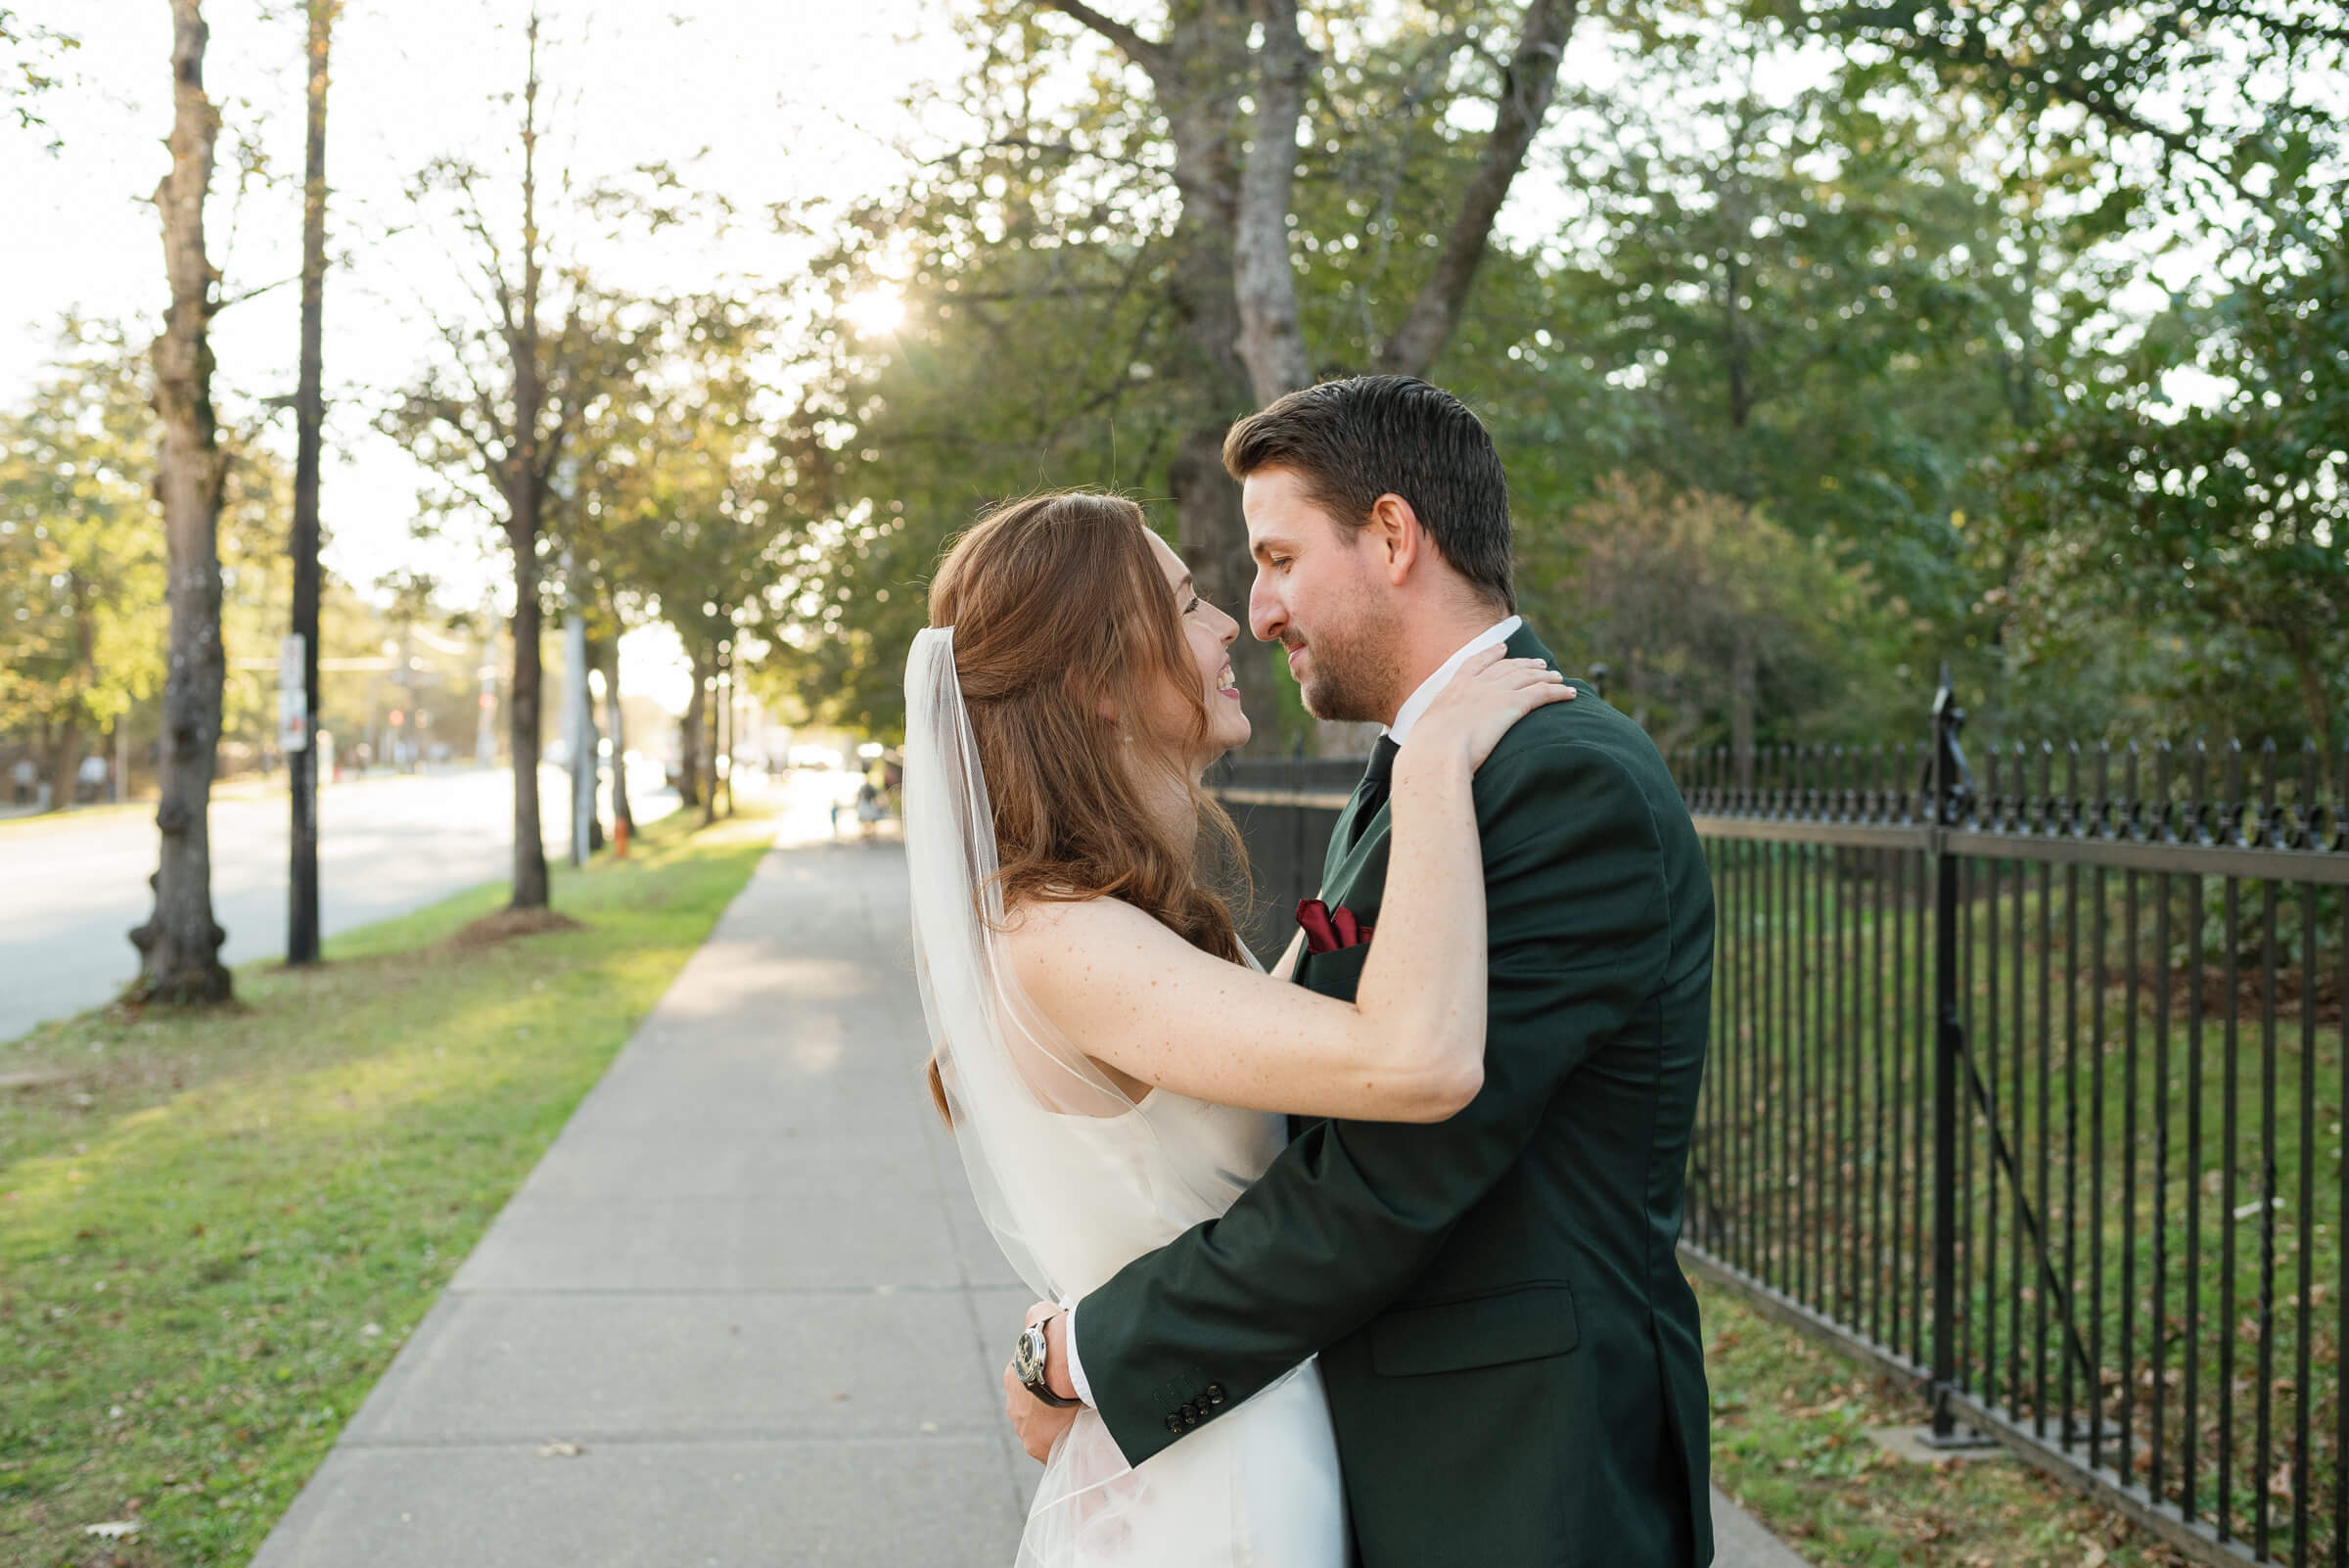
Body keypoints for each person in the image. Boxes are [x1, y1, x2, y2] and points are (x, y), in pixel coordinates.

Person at [990, 377, 1718, 1567]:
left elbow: (1392, 1179)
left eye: (1277, 559)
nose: (1256, 612)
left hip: (1519, 1471)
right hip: (1389, 1449)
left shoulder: (1559, 782)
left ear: (1391, 537)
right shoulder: (1430, 768)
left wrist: (1087, 1352)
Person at [902, 484, 1573, 1567]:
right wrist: (1437, 760)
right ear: (1096, 683)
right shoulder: (1059, 935)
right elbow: (1417, 1059)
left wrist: (1057, 1344)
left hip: (1230, 1428)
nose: (1231, 626)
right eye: (1182, 606)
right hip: (1214, 1481)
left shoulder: (1106, 919)